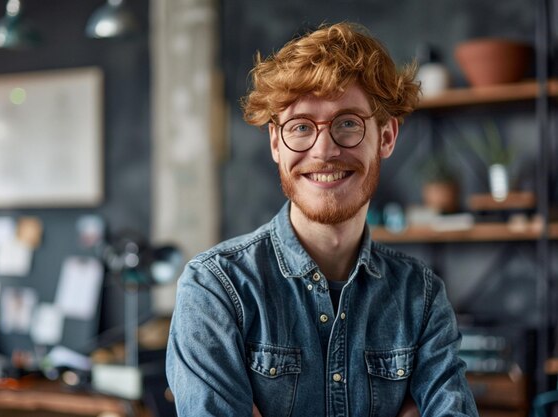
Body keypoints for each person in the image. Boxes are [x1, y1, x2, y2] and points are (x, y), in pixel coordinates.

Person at [166, 22, 479, 417]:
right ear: (276, 144)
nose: (324, 150)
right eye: (300, 127)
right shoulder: (216, 289)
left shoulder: (421, 297)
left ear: (386, 137)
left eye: (348, 123)